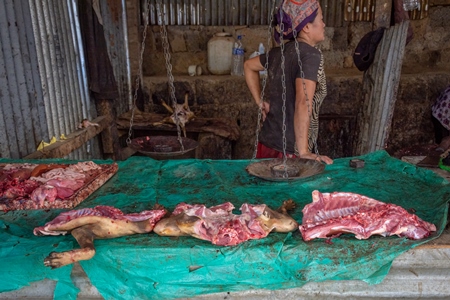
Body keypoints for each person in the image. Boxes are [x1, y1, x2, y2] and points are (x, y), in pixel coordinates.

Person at [244, 0, 333, 164]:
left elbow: (248, 66)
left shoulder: (278, 53)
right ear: (306, 27)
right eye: (321, 19)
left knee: (263, 188)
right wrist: (304, 151)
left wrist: (259, 102)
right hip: (289, 151)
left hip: (267, 142)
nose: (324, 24)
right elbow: (302, 102)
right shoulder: (310, 55)